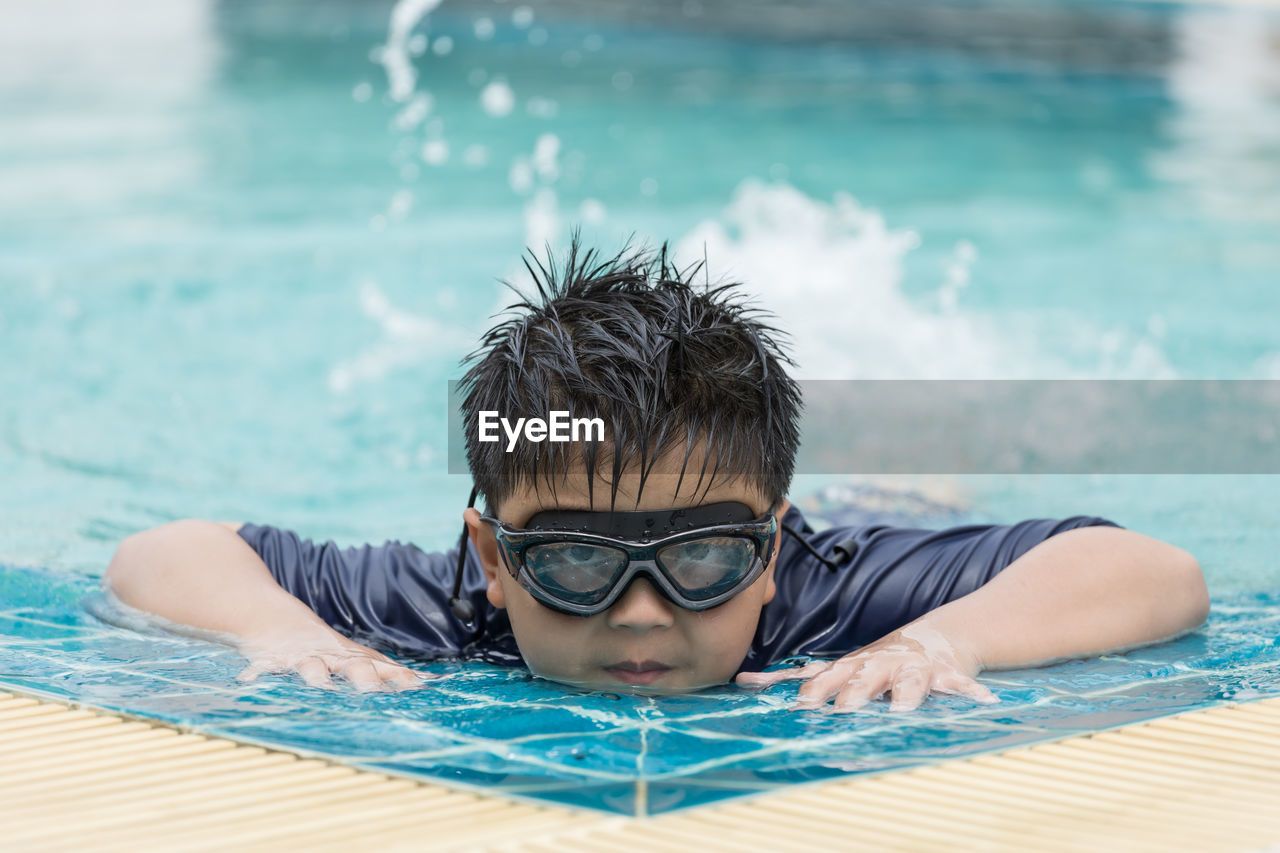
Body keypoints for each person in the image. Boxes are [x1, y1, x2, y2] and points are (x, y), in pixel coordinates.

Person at [105, 241, 1210, 712]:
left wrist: (942, 639)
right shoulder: (447, 605)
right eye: (578, 558)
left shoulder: (822, 592)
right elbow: (163, 554)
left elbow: (1149, 571)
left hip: (869, 519)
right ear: (493, 557)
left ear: (769, 551)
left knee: (923, 495)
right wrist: (279, 631)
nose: (641, 613)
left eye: (703, 558)